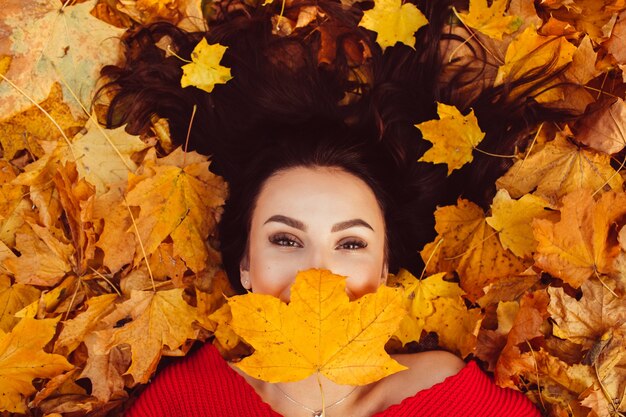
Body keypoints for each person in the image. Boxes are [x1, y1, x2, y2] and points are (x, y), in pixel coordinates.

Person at [101, 0, 567, 414]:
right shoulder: (191, 402)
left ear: (384, 269)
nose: (316, 276)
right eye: (285, 239)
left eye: (349, 242)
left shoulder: (443, 398)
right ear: (245, 264)